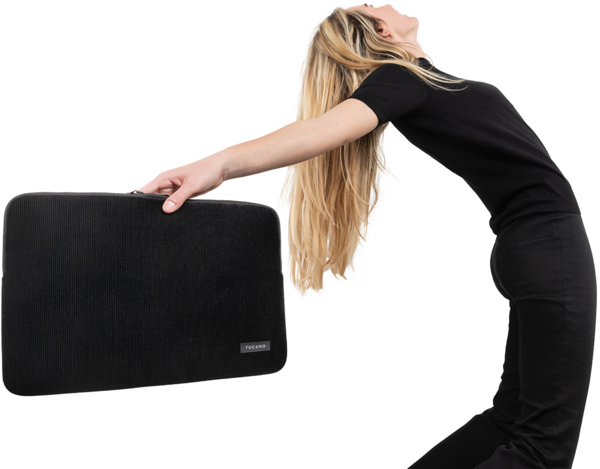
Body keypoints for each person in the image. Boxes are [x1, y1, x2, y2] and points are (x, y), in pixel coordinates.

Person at [138, 4, 596, 468]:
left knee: (512, 422)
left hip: (533, 245)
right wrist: (216, 167)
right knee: (543, 449)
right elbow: (321, 130)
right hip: (546, 243)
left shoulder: (417, 81)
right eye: (373, 5)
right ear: (382, 29)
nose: (384, 4)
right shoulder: (402, 78)